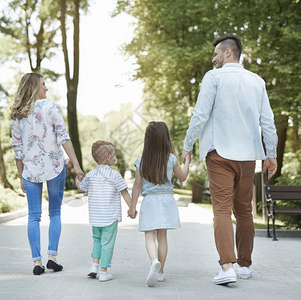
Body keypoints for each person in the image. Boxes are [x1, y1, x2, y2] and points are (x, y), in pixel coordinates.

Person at [182, 34, 278, 285]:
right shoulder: (257, 81)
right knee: (245, 210)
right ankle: (244, 265)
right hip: (248, 157)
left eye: (215, 54)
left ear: (228, 53)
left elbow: (200, 114)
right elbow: (267, 121)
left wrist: (187, 145)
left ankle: (227, 267)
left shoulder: (213, 77)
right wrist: (271, 154)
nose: (212, 59)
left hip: (220, 154)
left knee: (222, 210)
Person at [11, 73, 84, 275]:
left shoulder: (17, 113)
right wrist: (76, 165)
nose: (47, 88)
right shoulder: (51, 107)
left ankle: (37, 262)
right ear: (34, 87)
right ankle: (52, 257)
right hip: (55, 167)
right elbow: (64, 138)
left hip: (30, 170)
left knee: (33, 216)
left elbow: (17, 149)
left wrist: (20, 176)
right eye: (44, 84)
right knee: (55, 213)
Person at [129, 121, 191, 287]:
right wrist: (187, 162)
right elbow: (183, 176)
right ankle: (161, 271)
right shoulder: (171, 159)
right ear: (166, 139)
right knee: (162, 237)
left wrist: (132, 206)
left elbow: (136, 185)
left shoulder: (141, 161)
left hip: (149, 201)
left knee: (149, 235)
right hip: (166, 200)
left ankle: (153, 260)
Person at [75, 141, 135, 282]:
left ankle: (94, 266)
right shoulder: (115, 175)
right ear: (108, 157)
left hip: (96, 217)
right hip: (110, 217)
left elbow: (81, 187)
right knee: (107, 243)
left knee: (97, 240)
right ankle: (104, 271)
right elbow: (125, 193)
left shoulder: (90, 175)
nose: (115, 157)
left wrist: (77, 179)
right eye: (114, 155)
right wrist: (132, 208)